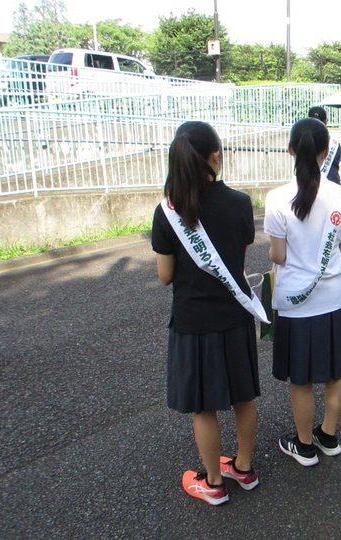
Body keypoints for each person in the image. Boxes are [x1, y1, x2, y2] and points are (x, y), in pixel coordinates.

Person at [151, 121, 261, 505]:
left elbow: (165, 276)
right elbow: (237, 263)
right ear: (216, 156)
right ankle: (243, 468)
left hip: (193, 323)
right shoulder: (241, 203)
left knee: (204, 406)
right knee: (243, 397)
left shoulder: (168, 212)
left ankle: (213, 482)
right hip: (235, 316)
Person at [264, 117, 341, 466]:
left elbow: (278, 255)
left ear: (290, 150)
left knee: (300, 379)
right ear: (326, 151)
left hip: (295, 303)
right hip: (335, 298)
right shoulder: (340, 195)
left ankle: (303, 447)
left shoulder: (276, 198)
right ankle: (327, 437)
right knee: (335, 373)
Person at [308, 106, 341, 185]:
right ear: (326, 121)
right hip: (332, 184)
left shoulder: (303, 140)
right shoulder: (335, 141)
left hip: (309, 185)